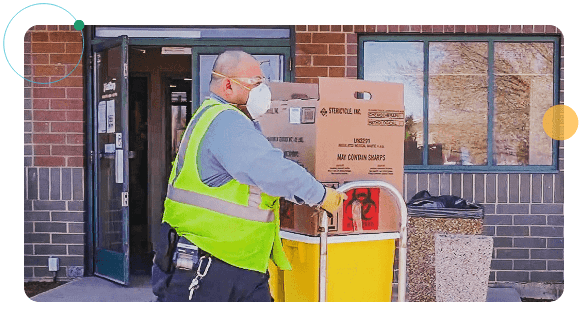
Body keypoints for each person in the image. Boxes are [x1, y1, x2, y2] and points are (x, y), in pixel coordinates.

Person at [151, 50, 346, 302]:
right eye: (256, 83)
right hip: (211, 263)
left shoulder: (224, 119)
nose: (262, 90)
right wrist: (320, 194)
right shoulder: (226, 122)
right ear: (229, 85)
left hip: (238, 264)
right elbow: (271, 170)